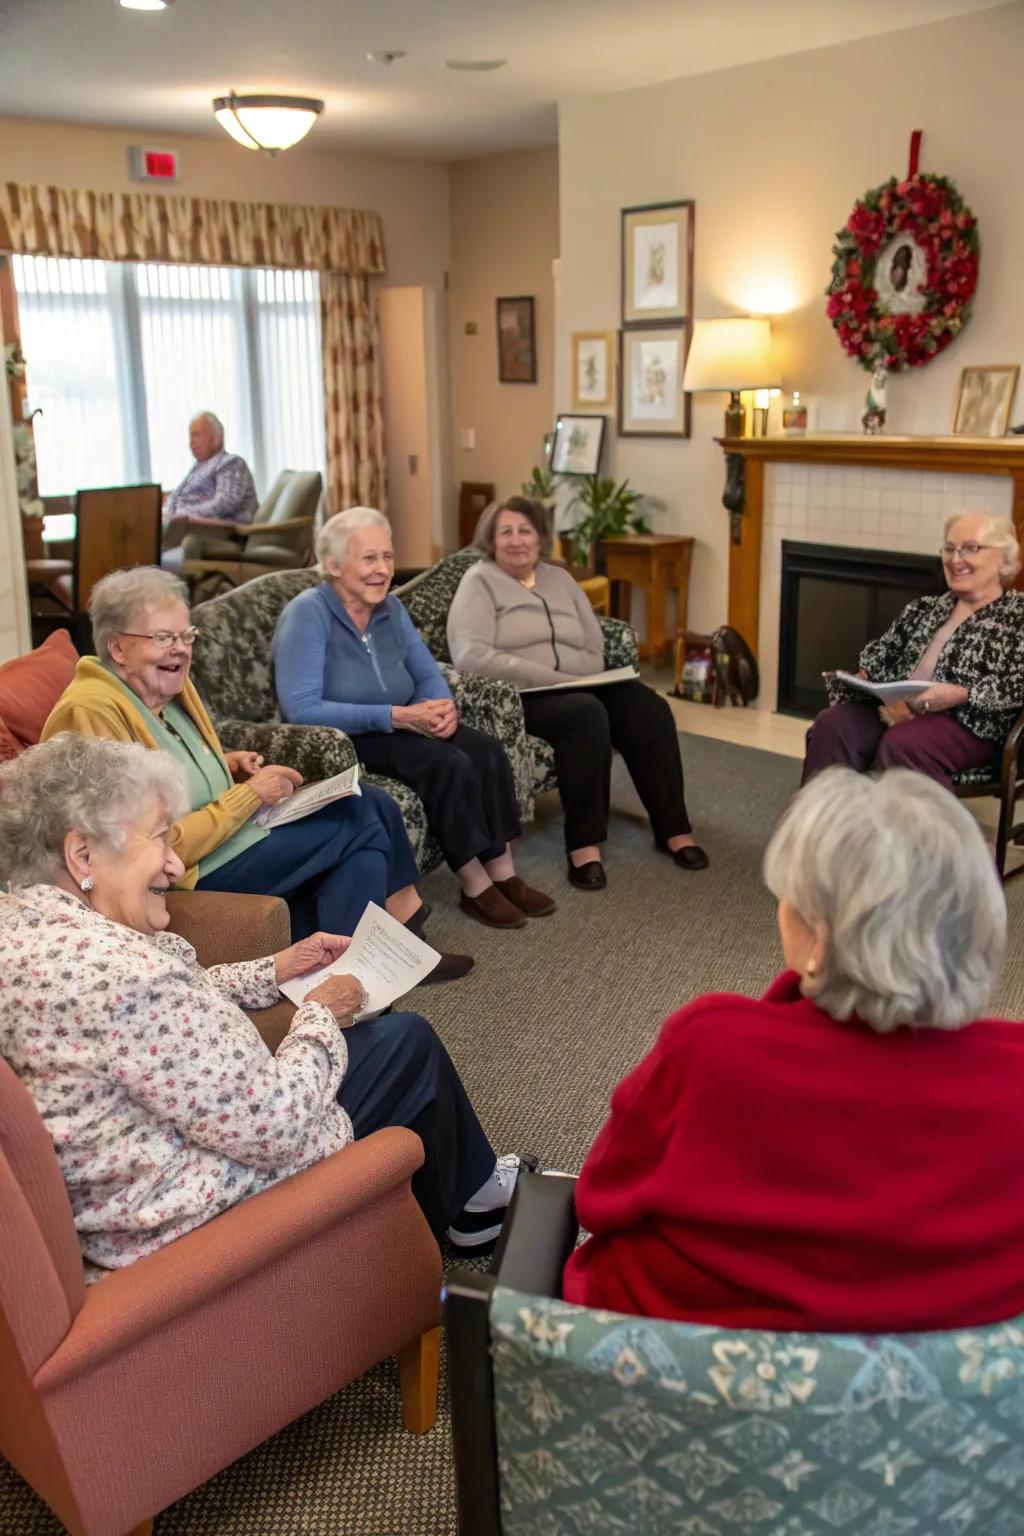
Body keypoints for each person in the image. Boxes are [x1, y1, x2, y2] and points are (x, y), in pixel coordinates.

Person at [0, 736, 517, 1276]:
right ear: (83, 853)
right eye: (159, 838)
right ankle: (444, 1229)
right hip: (199, 1213)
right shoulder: (124, 978)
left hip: (136, 1186)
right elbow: (275, 1126)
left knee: (389, 1046)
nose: (176, 866)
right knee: (405, 1043)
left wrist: (275, 969)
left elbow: (163, 1016)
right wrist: (321, 1012)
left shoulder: (32, 929)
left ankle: (458, 1202)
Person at [564, 766, 1024, 1331]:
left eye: (789, 898)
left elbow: (600, 1197)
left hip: (672, 1382)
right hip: (930, 1405)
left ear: (819, 936)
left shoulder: (711, 1045)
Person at [41, 567, 471, 982]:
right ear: (117, 648)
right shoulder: (91, 711)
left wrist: (221, 763)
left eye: (186, 635)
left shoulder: (163, 688)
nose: (180, 649)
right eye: (163, 638)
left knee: (367, 811)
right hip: (186, 868)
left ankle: (354, 970)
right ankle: (378, 959)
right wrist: (249, 795)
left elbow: (159, 761)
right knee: (358, 821)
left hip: (230, 839)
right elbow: (139, 841)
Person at [273, 507, 555, 931]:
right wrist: (395, 715)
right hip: (351, 734)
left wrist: (441, 708)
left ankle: (504, 873)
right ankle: (475, 886)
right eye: (369, 559)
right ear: (333, 566)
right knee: (447, 765)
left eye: (387, 557)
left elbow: (426, 671)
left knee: (486, 750)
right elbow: (302, 707)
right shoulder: (308, 613)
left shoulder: (390, 609)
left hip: (405, 720)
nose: (383, 569)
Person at [446, 496, 707, 889]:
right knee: (585, 716)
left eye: (525, 531)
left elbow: (594, 645)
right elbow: (472, 656)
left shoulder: (561, 579)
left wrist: (579, 674)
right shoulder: (479, 582)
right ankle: (584, 846)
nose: (517, 541)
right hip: (520, 696)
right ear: (491, 539)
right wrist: (548, 676)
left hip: (579, 683)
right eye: (506, 532)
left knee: (648, 708)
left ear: (540, 537)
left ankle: (674, 829)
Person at [802, 511, 1024, 790]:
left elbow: (1017, 684)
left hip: (972, 727)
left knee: (905, 743)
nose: (955, 559)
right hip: (896, 711)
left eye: (971, 548)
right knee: (833, 724)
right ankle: (819, 826)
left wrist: (963, 694)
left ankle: (905, 832)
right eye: (949, 548)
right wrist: (865, 677)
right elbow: (879, 654)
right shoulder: (924, 608)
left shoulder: (1018, 616)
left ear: (1004, 557)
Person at [163, 410, 259, 548]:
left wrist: (184, 515)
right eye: (190, 437)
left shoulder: (230, 463)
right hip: (186, 527)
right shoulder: (198, 467)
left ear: (217, 438)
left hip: (222, 532)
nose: (191, 443)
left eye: (196, 435)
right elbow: (176, 497)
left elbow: (225, 503)